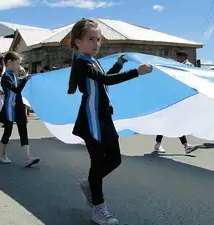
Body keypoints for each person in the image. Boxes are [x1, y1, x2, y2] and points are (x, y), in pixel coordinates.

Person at [67, 18, 152, 225]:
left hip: (105, 118)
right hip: (91, 121)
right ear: (78, 41)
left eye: (98, 39)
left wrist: (119, 63)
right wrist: (136, 72)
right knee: (97, 163)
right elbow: (105, 80)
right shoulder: (81, 63)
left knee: (115, 159)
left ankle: (89, 183)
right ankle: (99, 209)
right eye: (91, 39)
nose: (96, 43)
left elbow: (105, 77)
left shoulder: (92, 61)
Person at [0, 51, 40, 167]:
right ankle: (2, 154)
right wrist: (25, 80)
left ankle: (27, 157)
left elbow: (19, 88)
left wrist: (26, 79)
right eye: (17, 63)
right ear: (9, 63)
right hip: (9, 108)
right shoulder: (5, 78)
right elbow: (16, 90)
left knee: (23, 130)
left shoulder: (14, 76)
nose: (19, 66)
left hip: (19, 106)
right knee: (8, 132)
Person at [153, 51, 197, 154]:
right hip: (174, 98)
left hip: (177, 97)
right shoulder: (176, 66)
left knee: (172, 121)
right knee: (173, 121)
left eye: (180, 56)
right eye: (178, 57)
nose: (178, 58)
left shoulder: (187, 66)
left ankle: (159, 144)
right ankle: (185, 146)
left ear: (185, 57)